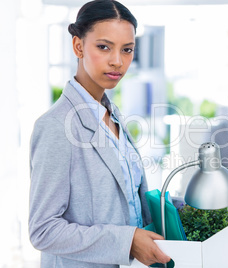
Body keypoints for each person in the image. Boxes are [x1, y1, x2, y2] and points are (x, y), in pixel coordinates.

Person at [28, 1, 170, 267]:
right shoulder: (56, 126)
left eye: (127, 50)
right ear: (78, 46)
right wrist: (127, 241)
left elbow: (128, 202)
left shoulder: (112, 115)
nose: (117, 61)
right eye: (104, 47)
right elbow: (43, 230)